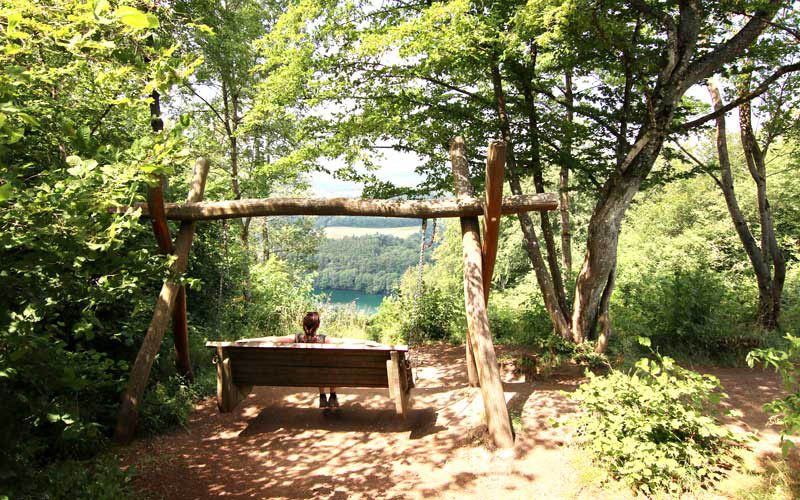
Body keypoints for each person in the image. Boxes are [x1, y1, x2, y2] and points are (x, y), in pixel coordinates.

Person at [241, 311, 383, 409]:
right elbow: (346, 341)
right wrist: (369, 342)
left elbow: (272, 339)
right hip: (326, 373)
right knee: (329, 365)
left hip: (305, 376)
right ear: (318, 326)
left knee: (318, 368)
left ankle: (322, 395)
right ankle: (332, 395)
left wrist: (248, 340)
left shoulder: (295, 338)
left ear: (303, 325)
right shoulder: (324, 340)